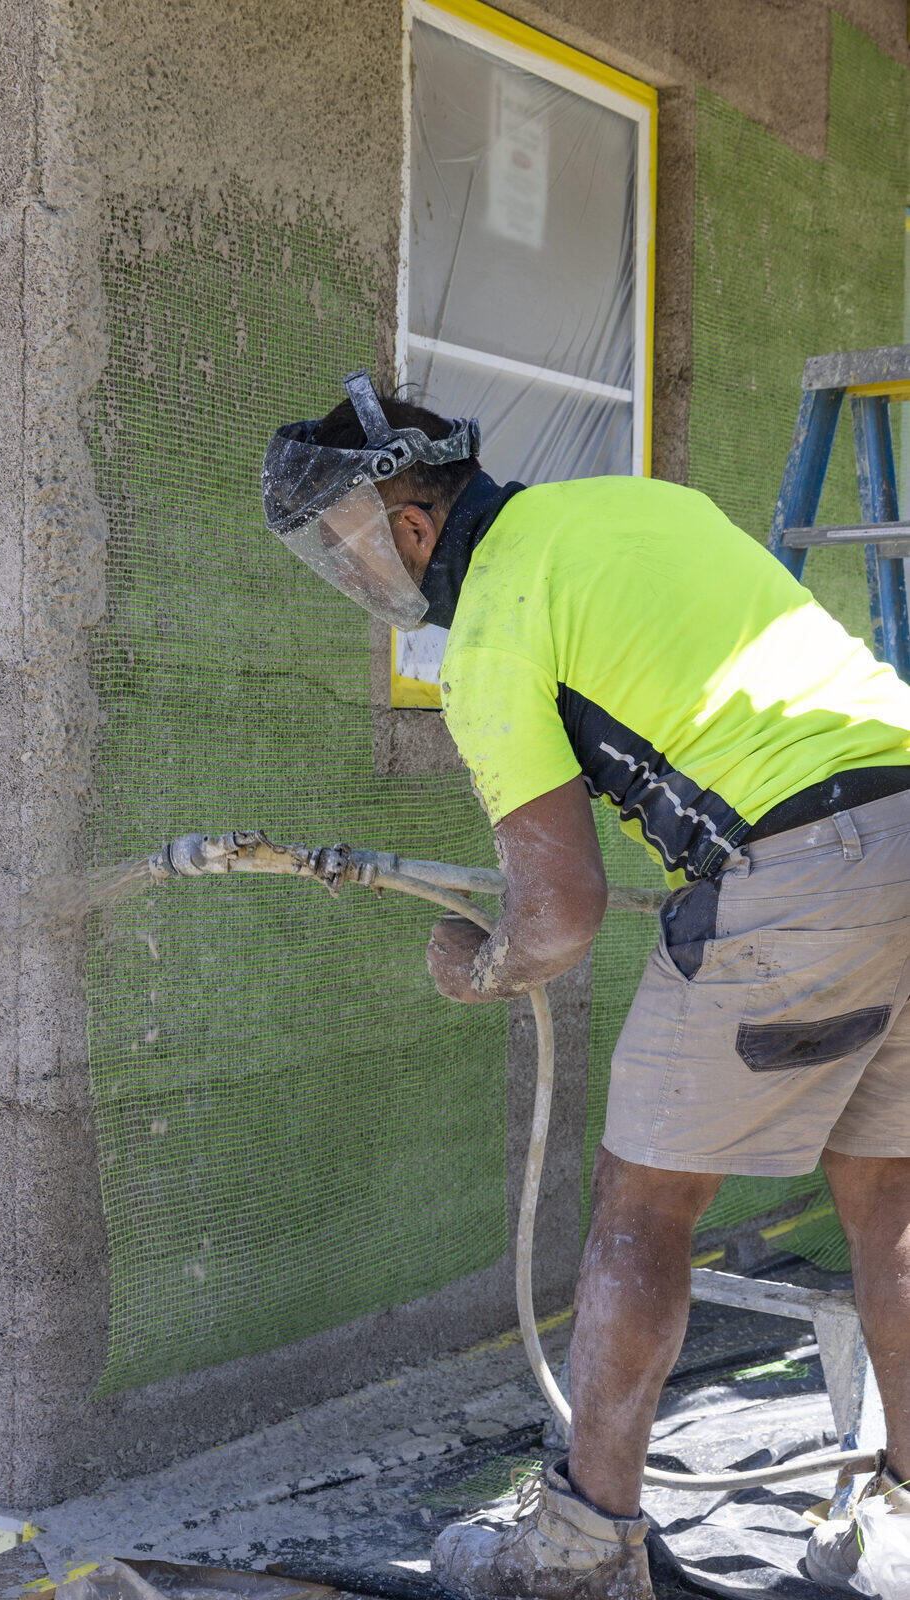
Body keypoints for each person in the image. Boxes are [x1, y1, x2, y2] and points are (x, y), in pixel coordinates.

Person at [262, 371, 910, 1599]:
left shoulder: (490, 627)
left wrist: (483, 964)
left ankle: (580, 1545)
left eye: (345, 545)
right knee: (887, 1198)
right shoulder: (634, 504)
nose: (347, 574)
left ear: (411, 524)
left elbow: (556, 915)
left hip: (793, 866)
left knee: (639, 1209)